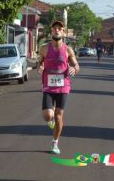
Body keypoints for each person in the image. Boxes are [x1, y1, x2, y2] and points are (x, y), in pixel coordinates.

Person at [37, 20, 80, 154]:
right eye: (54, 28)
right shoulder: (44, 48)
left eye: (59, 28)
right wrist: (40, 67)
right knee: (47, 116)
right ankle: (50, 120)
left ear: (63, 32)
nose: (57, 30)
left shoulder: (67, 49)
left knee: (59, 116)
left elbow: (76, 65)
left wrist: (74, 69)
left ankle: (55, 143)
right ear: (51, 31)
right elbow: (39, 63)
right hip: (48, 86)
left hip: (63, 86)